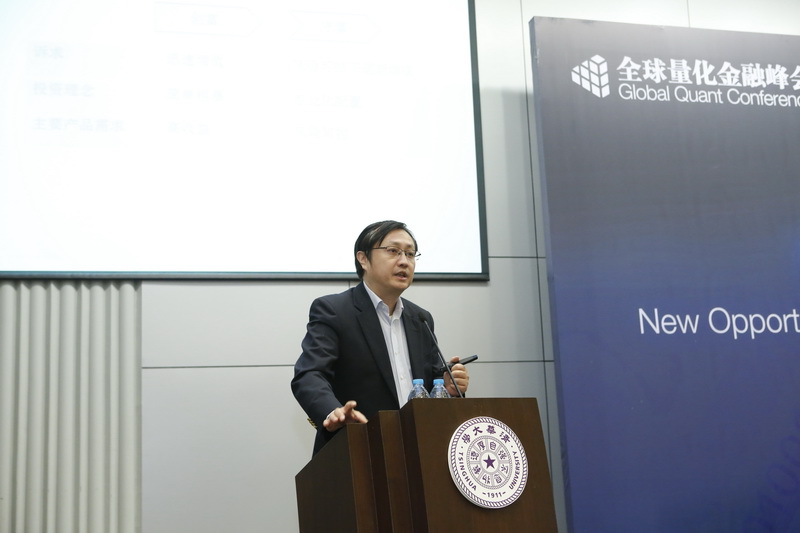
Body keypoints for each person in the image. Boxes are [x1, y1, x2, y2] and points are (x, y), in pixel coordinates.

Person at [291, 220, 470, 455]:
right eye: (393, 251)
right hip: (358, 449)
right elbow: (309, 375)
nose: (404, 261)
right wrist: (332, 412)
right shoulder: (335, 311)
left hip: (419, 450)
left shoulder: (421, 318)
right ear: (363, 259)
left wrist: (448, 387)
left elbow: (430, 383)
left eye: (410, 254)